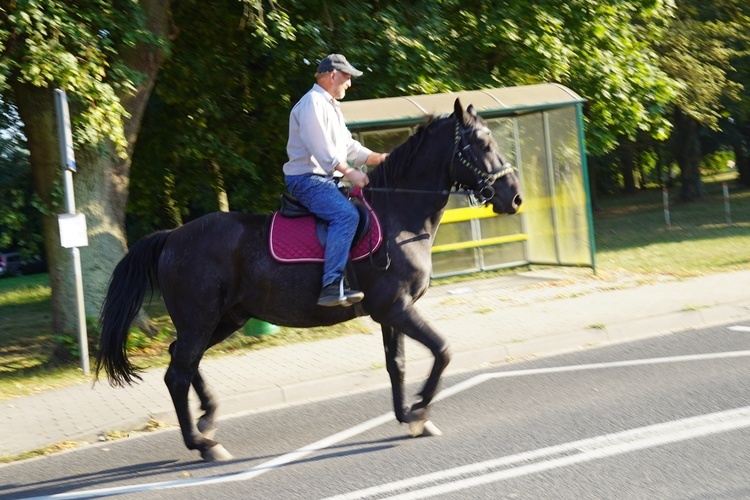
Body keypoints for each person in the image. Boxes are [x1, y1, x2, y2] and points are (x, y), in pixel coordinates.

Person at [284, 54, 388, 307]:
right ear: (333, 75)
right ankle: (331, 285)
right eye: (347, 77)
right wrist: (351, 172)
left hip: (326, 180)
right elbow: (324, 152)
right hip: (307, 180)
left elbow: (350, 148)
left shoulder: (330, 106)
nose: (349, 84)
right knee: (346, 216)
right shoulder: (312, 104)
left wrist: (382, 158)